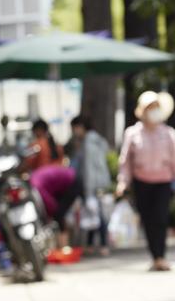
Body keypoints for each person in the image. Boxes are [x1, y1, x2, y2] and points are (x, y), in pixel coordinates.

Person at [117, 90, 175, 271]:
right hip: (141, 182)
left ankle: (160, 256)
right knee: (148, 219)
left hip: (163, 182)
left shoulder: (169, 133)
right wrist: (122, 182)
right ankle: (155, 256)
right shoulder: (132, 133)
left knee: (160, 218)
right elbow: (126, 161)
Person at [69, 115, 112, 255]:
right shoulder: (98, 140)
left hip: (92, 184)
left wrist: (87, 190)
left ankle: (102, 244)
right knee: (96, 213)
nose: (74, 132)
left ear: (81, 127)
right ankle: (91, 243)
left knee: (97, 213)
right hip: (102, 181)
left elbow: (89, 169)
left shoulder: (88, 143)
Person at [30, 164, 83, 248]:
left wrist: (49, 216)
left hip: (72, 182)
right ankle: (62, 245)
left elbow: (50, 205)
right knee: (58, 215)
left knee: (58, 215)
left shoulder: (36, 186)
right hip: (64, 182)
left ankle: (64, 246)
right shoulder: (34, 181)